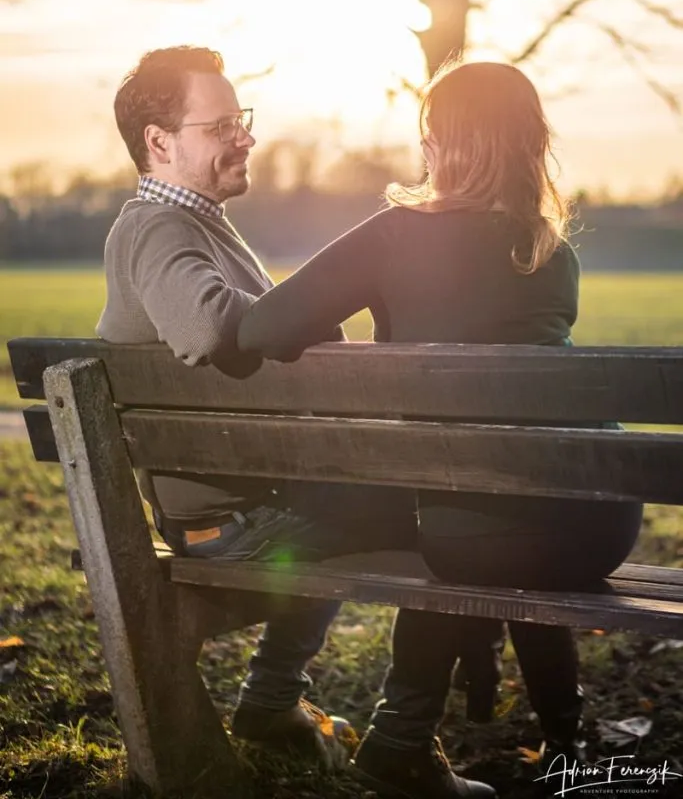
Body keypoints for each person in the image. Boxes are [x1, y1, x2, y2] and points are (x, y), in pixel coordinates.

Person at [237, 60, 644, 799]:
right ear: (531, 146)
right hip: (597, 519)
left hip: (471, 530)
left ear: (437, 142)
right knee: (498, 523)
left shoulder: (394, 236)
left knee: (456, 531)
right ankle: (562, 742)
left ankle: (396, 738)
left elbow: (263, 325)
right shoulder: (553, 253)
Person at [96, 46, 495, 794]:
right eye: (219, 125)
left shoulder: (196, 225)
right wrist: (305, 313)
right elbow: (206, 328)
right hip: (235, 524)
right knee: (454, 529)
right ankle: (399, 745)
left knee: (398, 509)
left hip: (254, 507)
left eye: (240, 120)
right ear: (160, 142)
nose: (244, 137)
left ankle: (272, 703)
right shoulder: (157, 229)